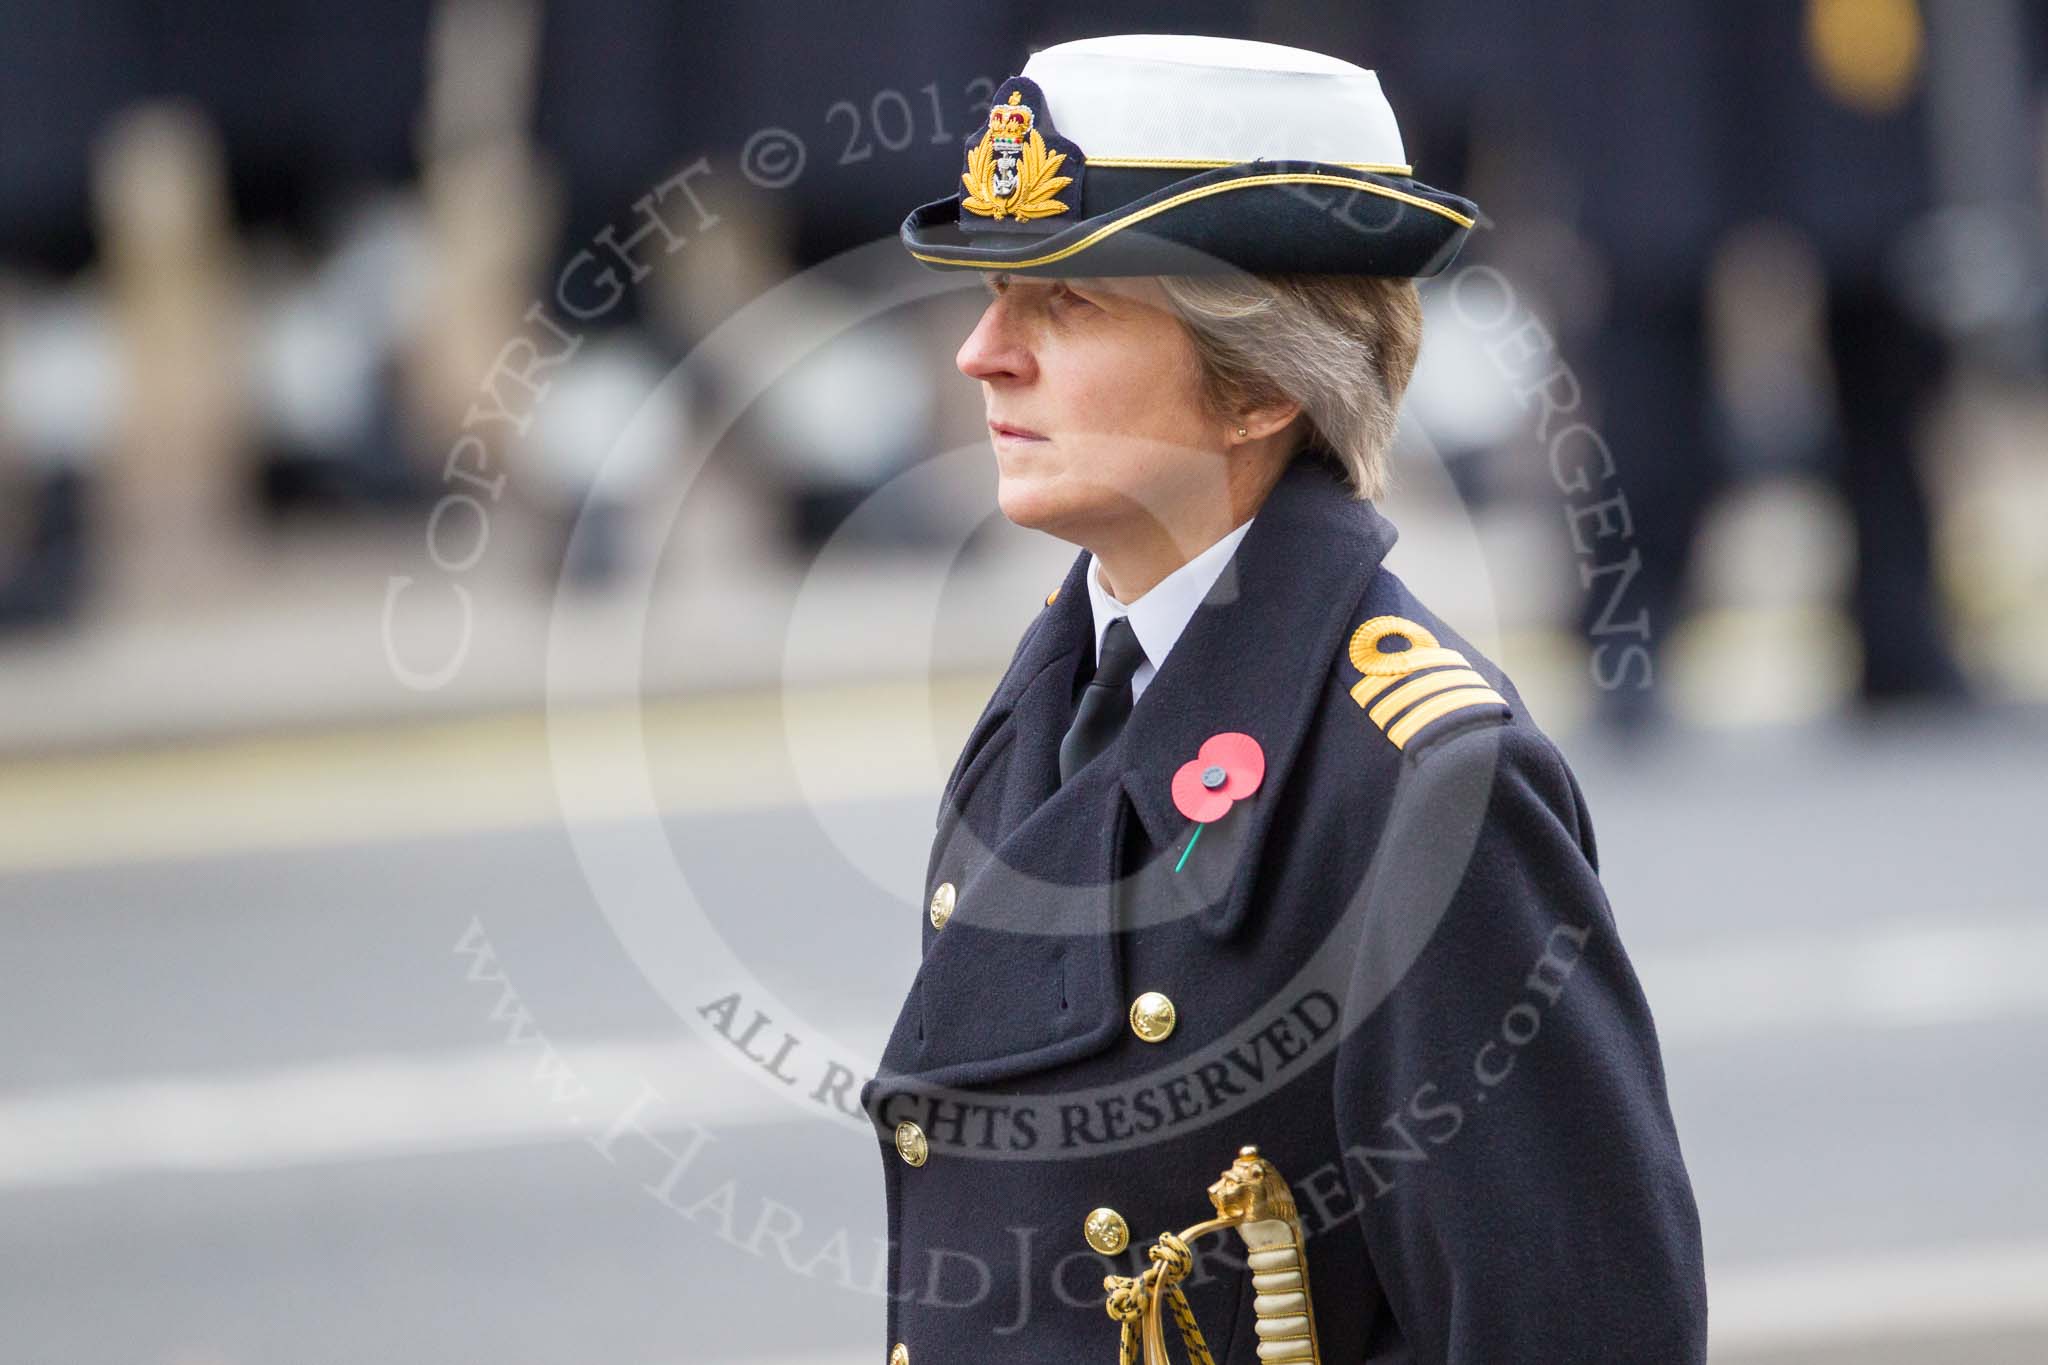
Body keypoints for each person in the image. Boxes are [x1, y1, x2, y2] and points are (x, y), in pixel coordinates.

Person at [859, 34, 1706, 1364]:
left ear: (1255, 380)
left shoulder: (1427, 787)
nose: (982, 351)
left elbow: (1575, 1324)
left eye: (1065, 304)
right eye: (992, 292)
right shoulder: (1065, 684)